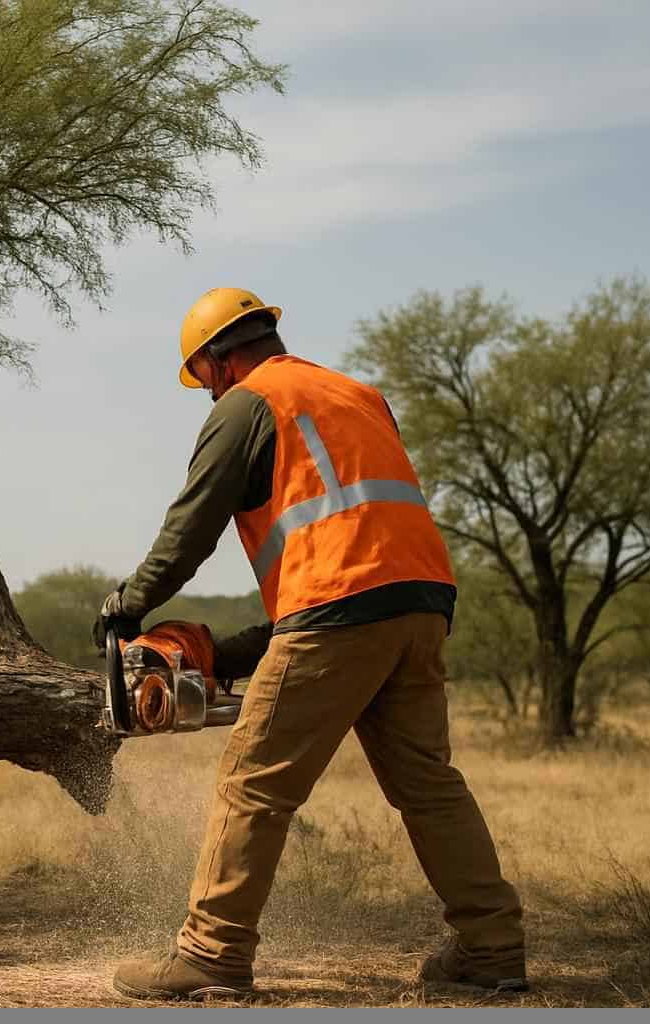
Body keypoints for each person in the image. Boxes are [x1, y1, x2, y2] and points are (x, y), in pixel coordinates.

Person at [91, 288, 526, 1001]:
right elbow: (355, 552)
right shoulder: (358, 396)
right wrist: (232, 653)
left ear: (217, 360)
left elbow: (192, 528)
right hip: (420, 605)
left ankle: (211, 956)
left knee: (253, 783)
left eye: (202, 378)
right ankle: (493, 949)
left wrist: (127, 604)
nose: (207, 391)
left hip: (338, 609)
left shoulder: (246, 405)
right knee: (429, 786)